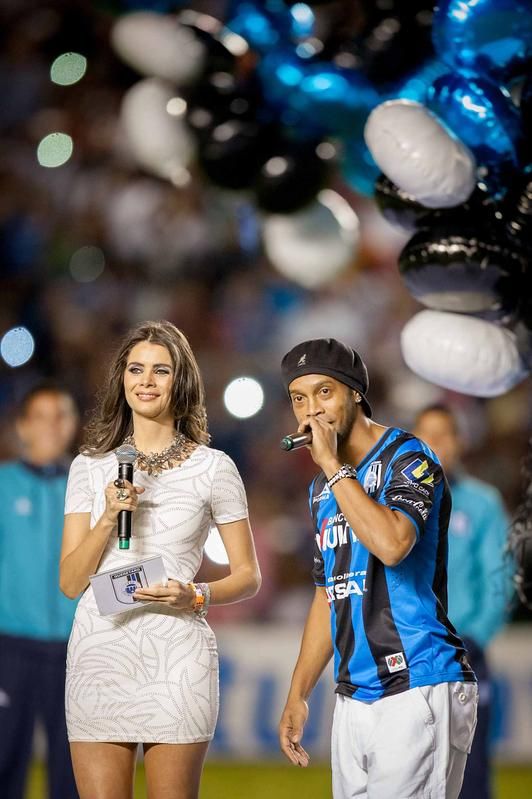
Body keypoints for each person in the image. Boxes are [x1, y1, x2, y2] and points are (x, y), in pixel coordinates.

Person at [59, 320, 261, 799]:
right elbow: (69, 582)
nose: (146, 381)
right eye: (136, 369)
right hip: (100, 654)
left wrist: (197, 594)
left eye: (160, 370)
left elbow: (248, 575)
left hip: (177, 657)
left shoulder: (214, 468)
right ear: (121, 379)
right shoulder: (89, 466)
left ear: (181, 380)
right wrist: (108, 517)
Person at [277, 338, 478, 799]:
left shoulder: (409, 457)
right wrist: (298, 693)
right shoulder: (321, 489)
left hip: (419, 681)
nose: (311, 410)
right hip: (354, 692)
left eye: (324, 392)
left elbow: (392, 545)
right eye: (299, 399)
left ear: (355, 393)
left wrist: (333, 467)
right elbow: (328, 592)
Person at [413, 404, 511, 799]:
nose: (435, 443)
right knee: (409, 765)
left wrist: (475, 637)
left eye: (444, 434)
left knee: (469, 768)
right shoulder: (394, 500)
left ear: (459, 442)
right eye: (426, 434)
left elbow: (499, 577)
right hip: (411, 648)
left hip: (463, 651)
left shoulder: (482, 503)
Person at [0, 383, 80, 799]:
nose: (52, 425)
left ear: (73, 424)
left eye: (61, 415)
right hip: (10, 646)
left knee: (73, 766)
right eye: (41, 416)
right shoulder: (3, 486)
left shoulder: (88, 488)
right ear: (23, 426)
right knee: (5, 755)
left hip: (74, 648)